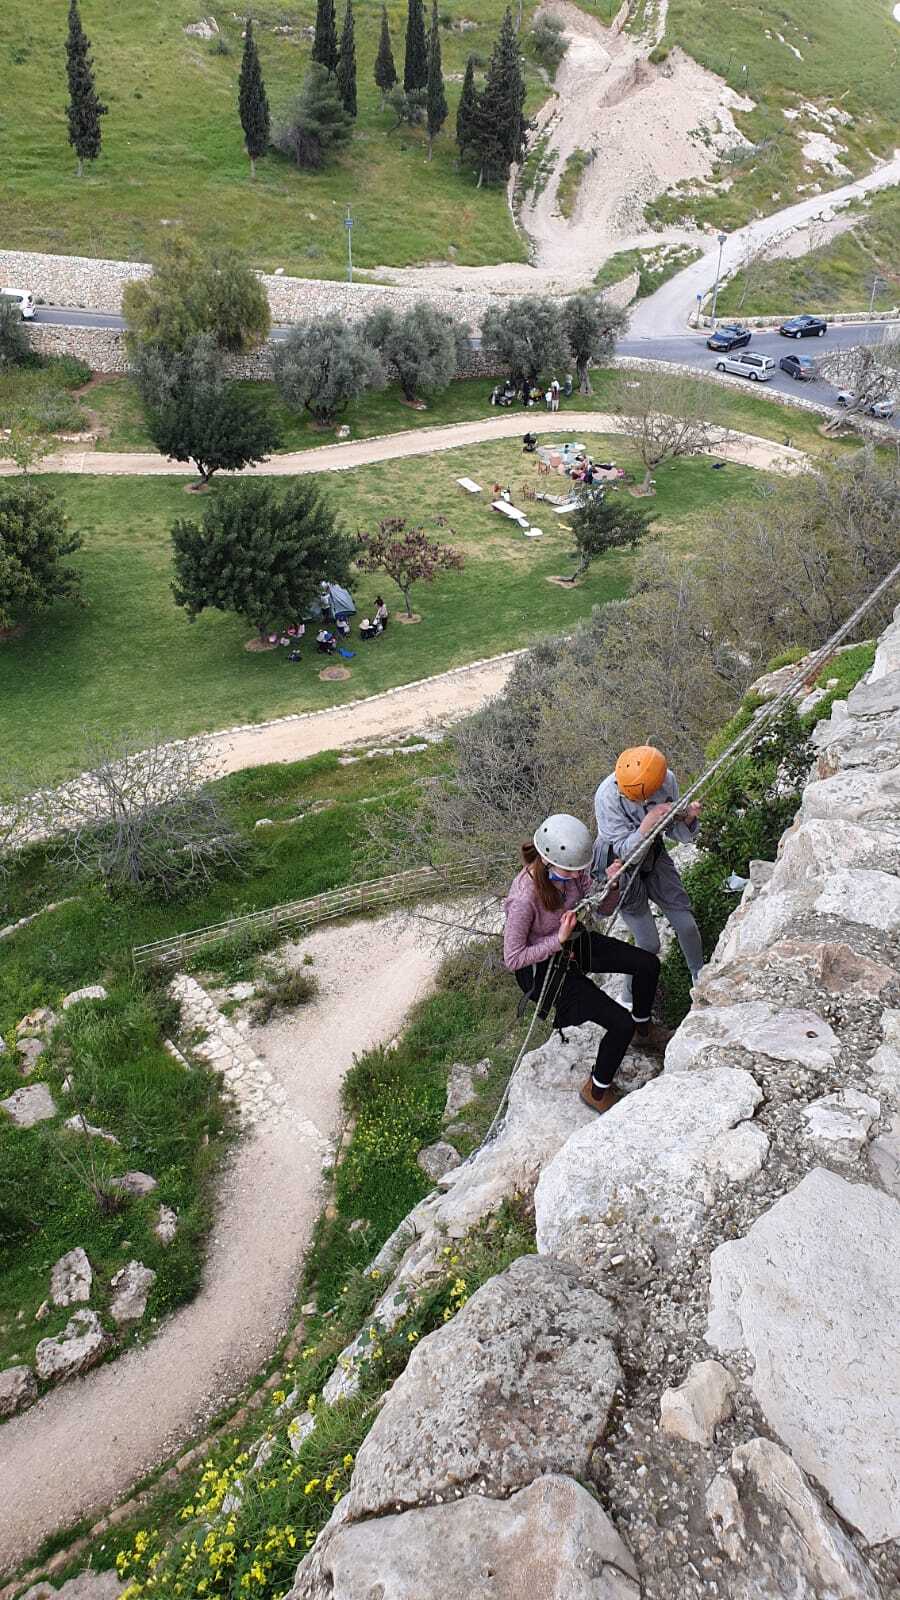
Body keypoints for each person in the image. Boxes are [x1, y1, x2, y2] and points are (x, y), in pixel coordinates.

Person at [504, 814, 668, 1115]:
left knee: (646, 964)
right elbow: (513, 958)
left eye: (577, 871)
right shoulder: (524, 900)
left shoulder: (572, 872)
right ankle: (596, 1090)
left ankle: (645, 1030)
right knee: (621, 1023)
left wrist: (612, 884)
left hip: (570, 942)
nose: (575, 876)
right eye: (569, 871)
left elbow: (602, 908)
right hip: (541, 971)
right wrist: (558, 940)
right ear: (547, 860)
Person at [593, 746, 704, 986]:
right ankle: (629, 1001)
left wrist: (688, 819)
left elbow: (674, 830)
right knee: (649, 945)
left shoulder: (667, 780)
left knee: (686, 924)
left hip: (654, 854)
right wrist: (646, 824)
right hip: (618, 864)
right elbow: (624, 851)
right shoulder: (607, 797)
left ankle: (700, 976)